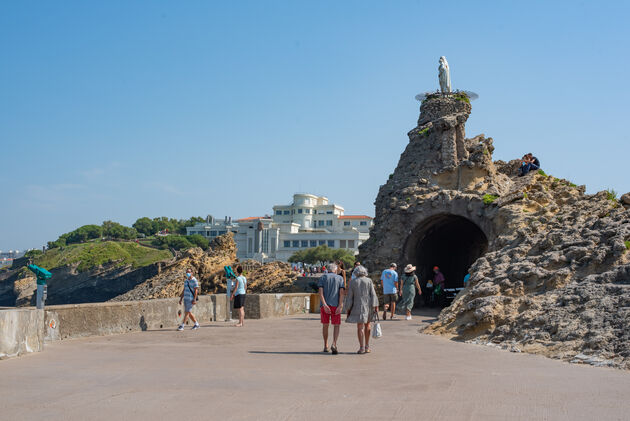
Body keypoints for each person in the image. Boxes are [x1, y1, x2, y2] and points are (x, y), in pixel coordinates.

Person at [345, 265, 379, 354]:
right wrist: (376, 306)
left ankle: (361, 347)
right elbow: (373, 294)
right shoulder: (369, 281)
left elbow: (350, 297)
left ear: (356, 272)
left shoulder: (353, 282)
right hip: (368, 306)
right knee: (368, 326)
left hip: (357, 306)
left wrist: (348, 309)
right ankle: (367, 346)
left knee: (360, 327)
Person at [318, 262, 345, 355]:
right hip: (335, 305)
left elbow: (320, 292)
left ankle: (325, 345)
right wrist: (340, 305)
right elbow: (342, 293)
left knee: (325, 325)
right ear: (335, 270)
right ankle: (334, 343)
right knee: (336, 325)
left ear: (328, 269)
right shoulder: (340, 278)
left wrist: (324, 304)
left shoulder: (322, 278)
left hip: (325, 305)